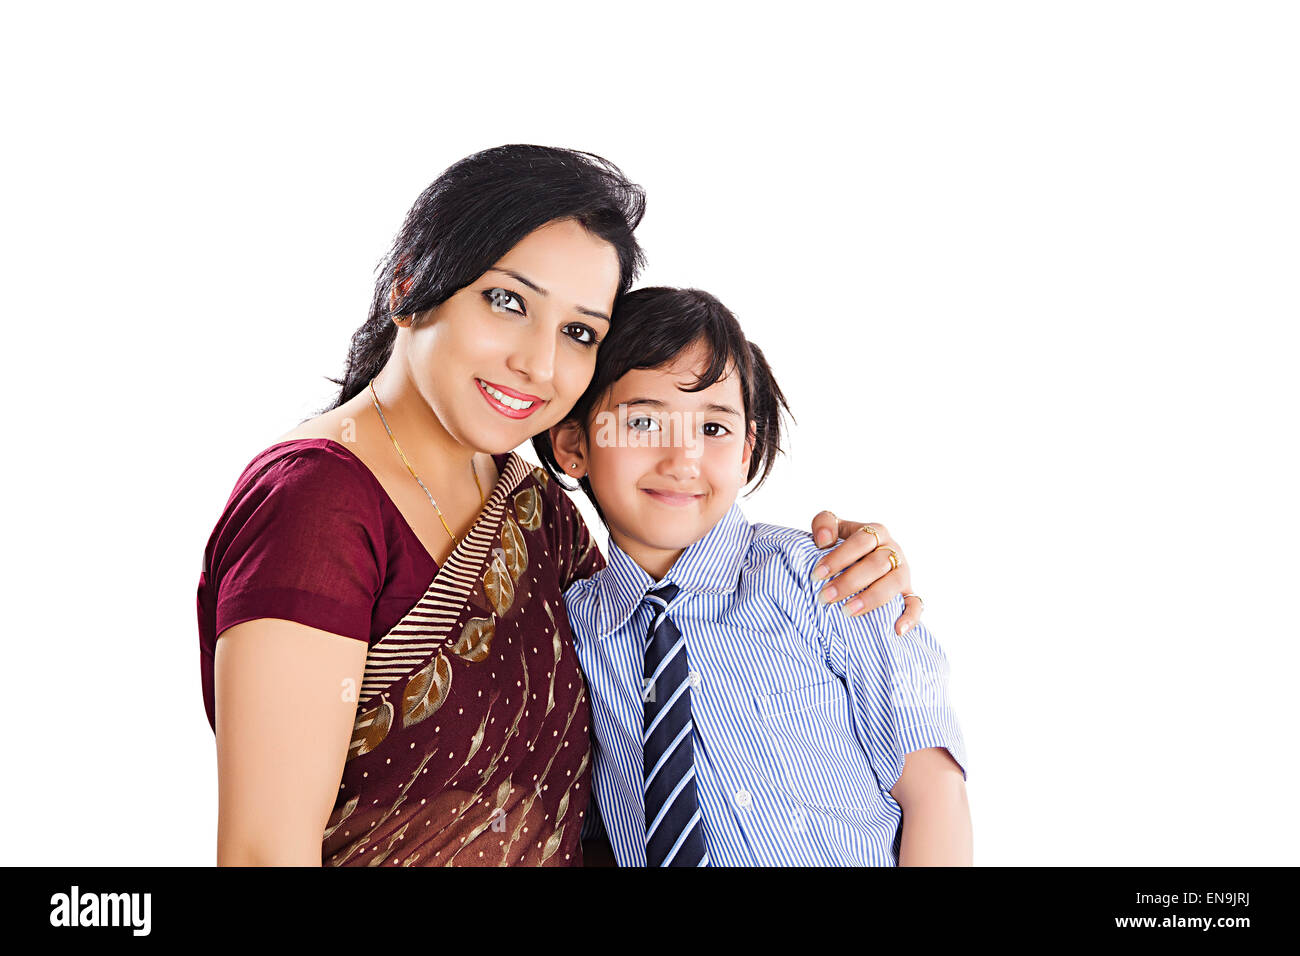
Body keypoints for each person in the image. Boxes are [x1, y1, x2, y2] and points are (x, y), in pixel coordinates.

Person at [197, 145, 930, 867]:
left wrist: (849, 567)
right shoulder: (316, 503)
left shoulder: (540, 512)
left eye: (579, 332)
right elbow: (265, 850)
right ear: (408, 283)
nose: (540, 365)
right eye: (507, 301)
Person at [552, 287, 970, 866]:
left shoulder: (828, 578)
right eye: (644, 421)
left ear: (747, 449)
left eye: (714, 429)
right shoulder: (570, 629)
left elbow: (934, 791)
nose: (683, 460)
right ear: (573, 444)